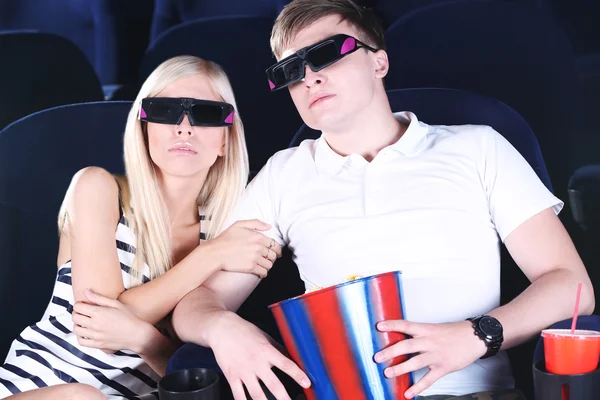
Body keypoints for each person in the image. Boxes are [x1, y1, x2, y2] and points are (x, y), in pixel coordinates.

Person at [171, 1, 595, 399]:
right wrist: (222, 328)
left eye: (327, 54)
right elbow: (196, 303)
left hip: (469, 391)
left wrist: (477, 335)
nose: (308, 77)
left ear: (379, 61)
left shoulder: (478, 147)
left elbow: (571, 284)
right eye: (291, 69)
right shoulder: (283, 174)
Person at [0, 55, 281, 399]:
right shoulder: (98, 188)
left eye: (206, 114)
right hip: (38, 386)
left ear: (225, 140)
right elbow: (100, 323)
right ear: (143, 128)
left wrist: (144, 340)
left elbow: (185, 374)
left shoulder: (227, 228)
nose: (184, 127)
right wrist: (211, 255)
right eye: (165, 111)